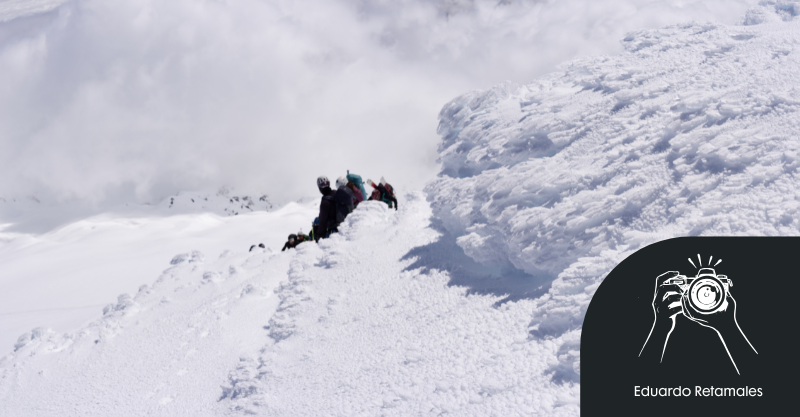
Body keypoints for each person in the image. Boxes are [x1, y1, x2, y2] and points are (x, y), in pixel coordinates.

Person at [315, 176, 338, 242]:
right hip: (340, 224)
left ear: (320, 188)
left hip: (332, 229)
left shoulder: (325, 202)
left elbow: (323, 221)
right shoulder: (335, 193)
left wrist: (319, 235)